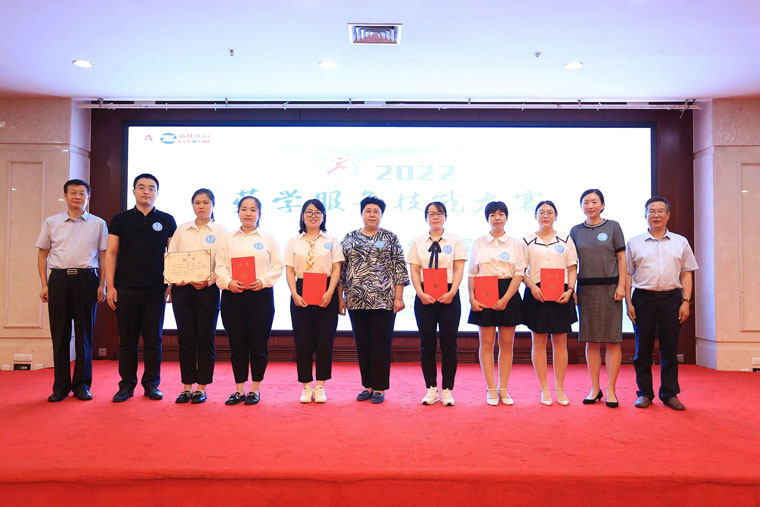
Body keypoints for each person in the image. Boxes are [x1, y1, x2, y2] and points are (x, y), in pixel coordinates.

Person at [106, 173, 176, 402]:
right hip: (125, 288)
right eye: (142, 187)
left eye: (151, 188)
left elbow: (173, 255)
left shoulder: (167, 220)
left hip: (156, 289)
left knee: (154, 339)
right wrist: (110, 286)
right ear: (134, 191)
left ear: (157, 192)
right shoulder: (120, 219)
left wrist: (171, 283)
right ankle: (126, 385)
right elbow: (111, 253)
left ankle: (151, 384)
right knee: (127, 339)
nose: (146, 191)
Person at [36, 179, 108, 402]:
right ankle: (60, 386)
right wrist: (44, 284)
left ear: (89, 197)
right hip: (59, 280)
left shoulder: (98, 223)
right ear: (65, 196)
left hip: (87, 279)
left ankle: (82, 386)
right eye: (73, 193)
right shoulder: (52, 222)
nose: (77, 197)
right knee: (60, 335)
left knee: (85, 335)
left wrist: (102, 284)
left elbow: (104, 255)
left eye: (82, 193)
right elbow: (42, 254)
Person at [625, 196, 698, 411]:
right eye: (651, 211)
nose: (655, 215)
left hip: (672, 300)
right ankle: (644, 393)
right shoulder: (634, 242)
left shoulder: (680, 242)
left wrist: (686, 302)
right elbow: (627, 274)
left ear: (668, 215)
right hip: (643, 299)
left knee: (670, 349)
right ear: (645, 215)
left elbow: (686, 273)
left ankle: (669, 393)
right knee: (642, 350)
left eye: (660, 211)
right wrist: (628, 303)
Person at [339, 196, 409, 404]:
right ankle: (367, 386)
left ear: (381, 215)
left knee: (381, 344)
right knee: (362, 344)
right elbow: (341, 270)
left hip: (383, 300)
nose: (372, 215)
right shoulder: (350, 238)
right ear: (361, 214)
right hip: (356, 300)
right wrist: (340, 297)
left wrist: (398, 298)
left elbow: (399, 268)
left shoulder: (390, 238)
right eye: (368, 211)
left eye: (376, 211)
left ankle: (379, 388)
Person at [215, 196, 283, 406]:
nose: (248, 213)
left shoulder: (268, 238)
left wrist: (263, 281)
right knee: (237, 343)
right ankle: (238, 389)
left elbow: (277, 266)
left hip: (260, 295)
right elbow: (219, 266)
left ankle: (255, 389)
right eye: (244, 209)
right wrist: (228, 282)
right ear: (238, 212)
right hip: (233, 295)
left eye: (253, 209)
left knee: (259, 342)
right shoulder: (227, 238)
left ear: (259, 214)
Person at [167, 189, 226, 404]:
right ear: (192, 205)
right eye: (197, 202)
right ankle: (186, 386)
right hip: (182, 290)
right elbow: (171, 256)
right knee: (186, 338)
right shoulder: (182, 229)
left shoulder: (222, 232)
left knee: (205, 338)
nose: (201, 206)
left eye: (206, 202)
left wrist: (209, 281)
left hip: (207, 290)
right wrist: (173, 279)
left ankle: (202, 387)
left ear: (213, 205)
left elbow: (223, 263)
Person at [569, 189, 626, 408]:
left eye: (594, 202)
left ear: (602, 205)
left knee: (612, 340)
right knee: (591, 340)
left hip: (611, 289)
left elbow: (621, 258)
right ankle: (595, 388)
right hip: (586, 290)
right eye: (586, 202)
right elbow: (572, 264)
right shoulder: (575, 231)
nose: (590, 206)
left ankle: (611, 389)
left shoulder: (613, 227)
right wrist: (572, 289)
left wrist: (622, 285)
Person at [407, 202, 467, 406]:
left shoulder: (456, 240)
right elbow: (414, 270)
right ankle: (431, 388)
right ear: (426, 217)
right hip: (424, 296)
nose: (435, 217)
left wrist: (452, 292)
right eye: (431, 214)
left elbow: (459, 269)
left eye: (439, 213)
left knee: (449, 345)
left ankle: (448, 389)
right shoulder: (418, 242)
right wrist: (420, 293)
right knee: (427, 345)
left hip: (449, 295)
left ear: (445, 216)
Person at [284, 199, 343, 403]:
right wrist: (294, 293)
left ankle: (320, 386)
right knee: (303, 341)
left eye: (318, 212)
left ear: (323, 216)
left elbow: (336, 268)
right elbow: (290, 270)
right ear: (302, 216)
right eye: (309, 212)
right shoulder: (294, 241)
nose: (313, 215)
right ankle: (306, 386)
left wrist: (330, 292)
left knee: (325, 341)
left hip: (326, 289)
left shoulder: (332, 239)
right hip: (301, 290)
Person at [467, 201, 525, 406]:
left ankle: (503, 388)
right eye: (492, 215)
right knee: (486, 343)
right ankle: (491, 388)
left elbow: (519, 273)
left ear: (506, 217)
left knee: (507, 343)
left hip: (508, 291)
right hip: (484, 291)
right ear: (487, 219)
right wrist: (472, 298)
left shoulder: (516, 243)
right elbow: (472, 273)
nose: (497, 218)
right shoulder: (479, 242)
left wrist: (506, 299)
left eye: (501, 214)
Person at [522, 200, 578, 406]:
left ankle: (560, 389)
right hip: (537, 294)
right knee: (538, 342)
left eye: (550, 212)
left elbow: (572, 268)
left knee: (560, 343)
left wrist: (570, 290)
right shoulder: (527, 240)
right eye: (542, 212)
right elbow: (521, 270)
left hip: (561, 294)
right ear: (535, 216)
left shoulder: (565, 239)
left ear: (556, 216)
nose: (546, 216)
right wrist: (531, 286)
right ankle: (544, 389)